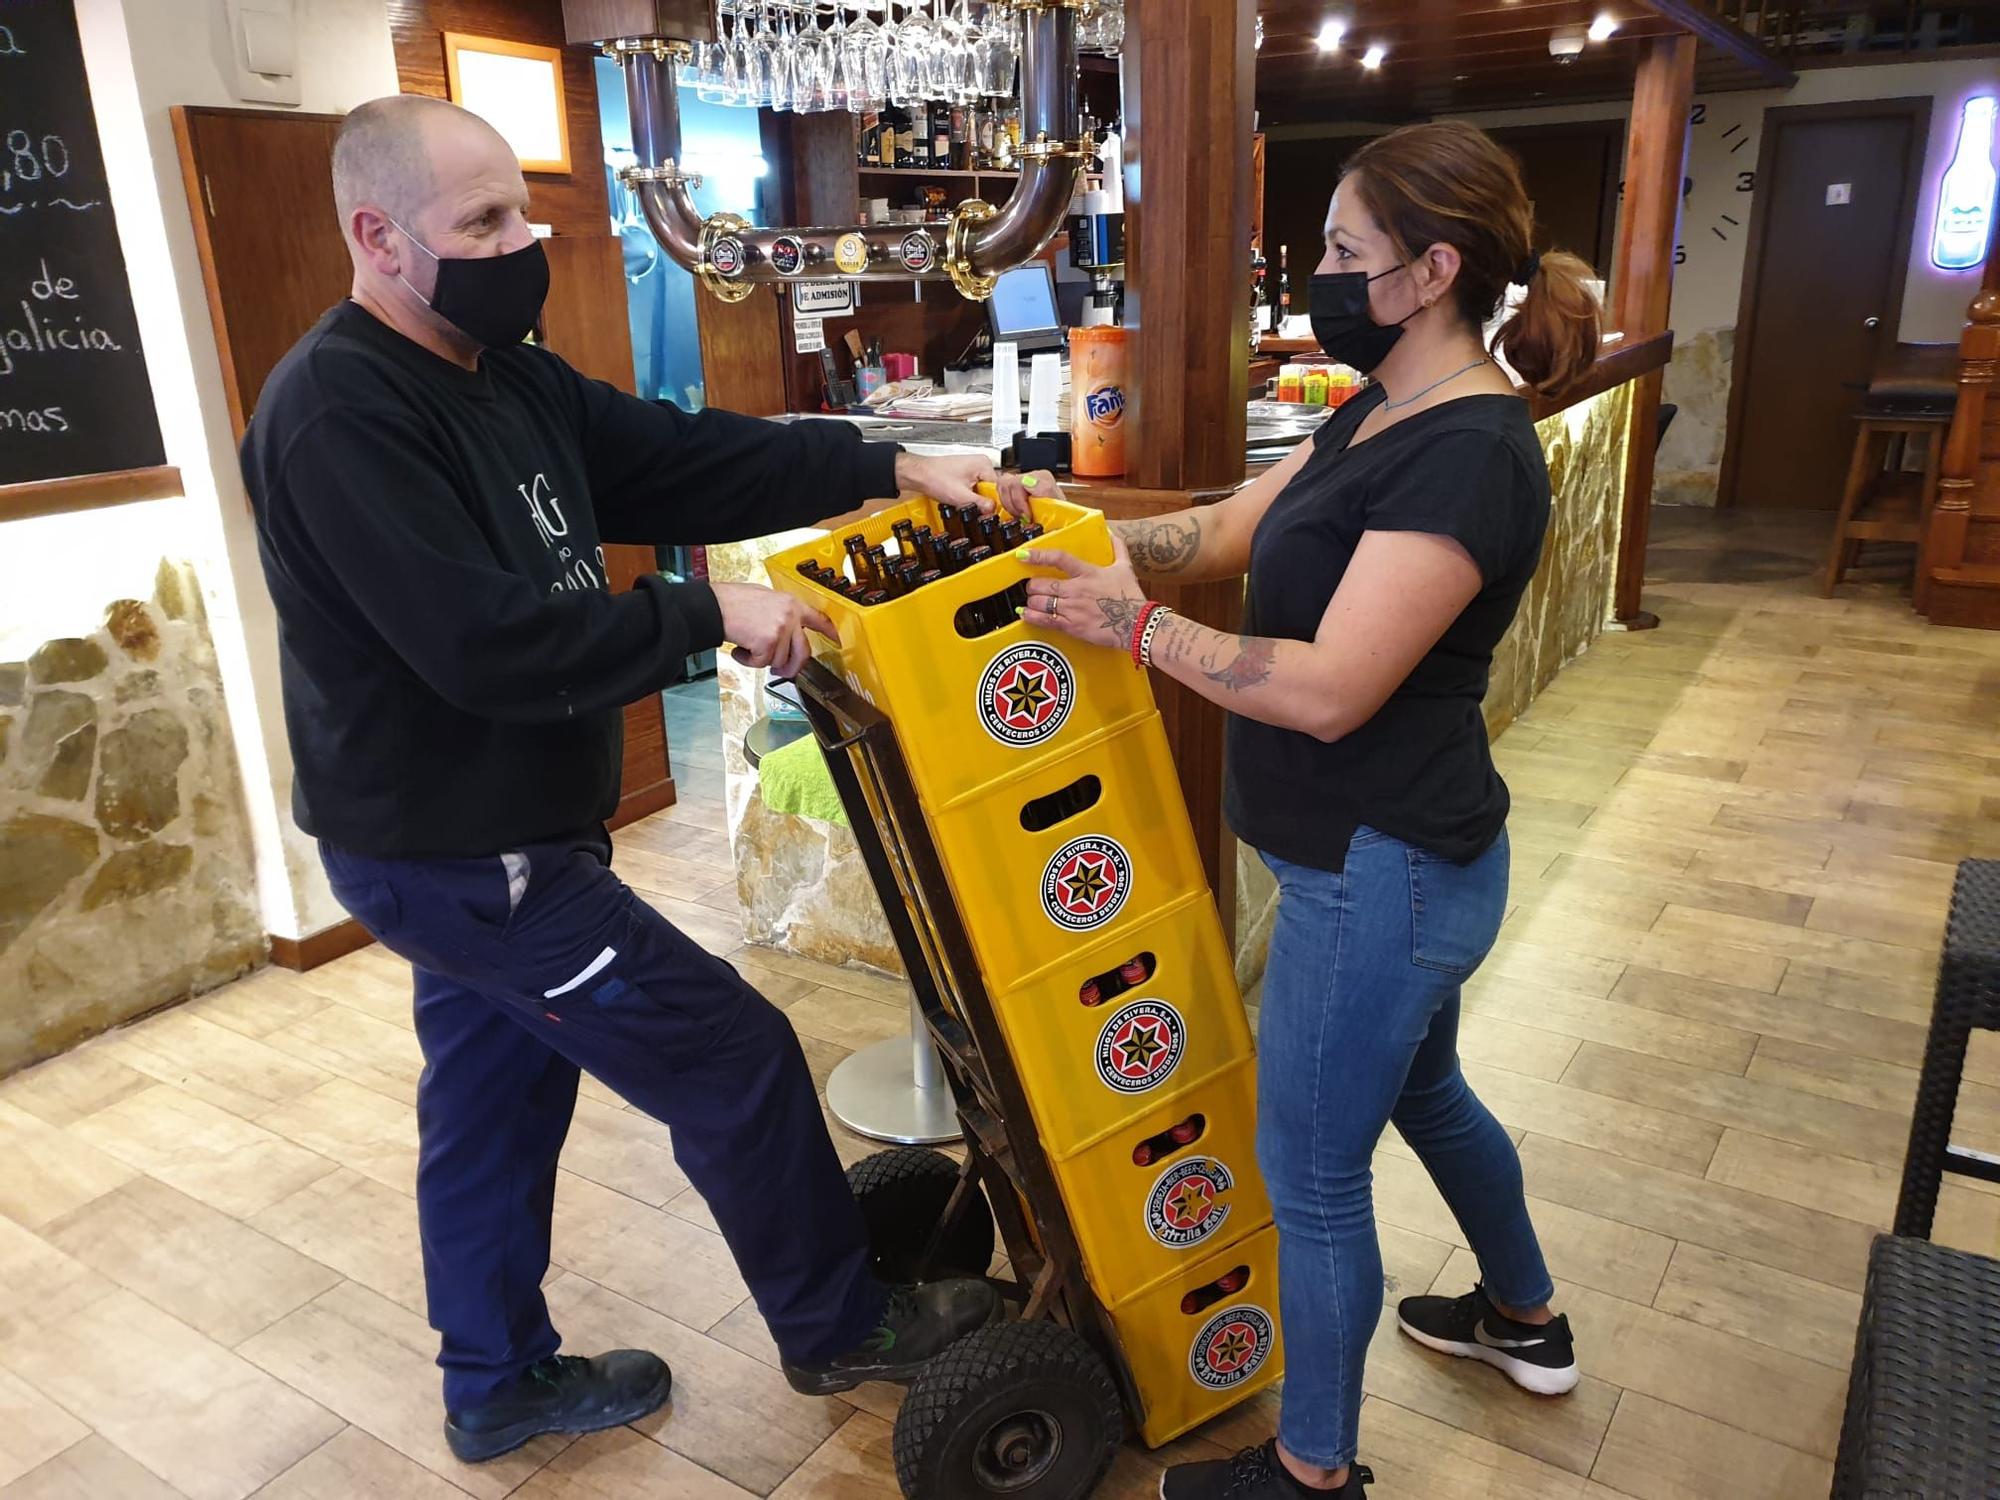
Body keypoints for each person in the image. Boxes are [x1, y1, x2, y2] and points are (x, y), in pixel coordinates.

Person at [241, 94, 1028, 1463]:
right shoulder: (338, 417)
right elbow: (486, 648)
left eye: (521, 210)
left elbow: (678, 458)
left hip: (502, 835)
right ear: (375, 237)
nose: (522, 241)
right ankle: (840, 1325)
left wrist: (885, 464)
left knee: (492, 1105)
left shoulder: (505, 374)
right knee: (735, 1056)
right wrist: (701, 615)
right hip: (467, 854)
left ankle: (494, 1383)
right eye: (481, 222)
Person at [1017, 121, 1601, 1498]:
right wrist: (1076, 533)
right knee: (1432, 1095)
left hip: (1382, 875)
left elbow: (1334, 688)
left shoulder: (1467, 453)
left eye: (1346, 252)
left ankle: (1310, 1473)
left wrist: (1135, 629)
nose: (1324, 274)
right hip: (1401, 861)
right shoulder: (1383, 411)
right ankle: (1528, 1319)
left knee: (1315, 1178)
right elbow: (1227, 532)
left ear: (1429, 270)